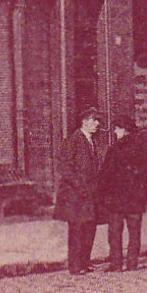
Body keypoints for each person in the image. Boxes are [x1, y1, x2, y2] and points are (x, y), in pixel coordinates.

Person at [96, 116, 147, 272]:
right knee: (134, 232)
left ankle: (116, 264)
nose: (115, 131)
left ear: (124, 130)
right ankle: (132, 263)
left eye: (117, 128)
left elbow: (105, 175)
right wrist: (144, 192)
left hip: (116, 199)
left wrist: (101, 194)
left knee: (115, 232)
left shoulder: (115, 149)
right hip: (136, 199)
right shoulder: (145, 148)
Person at [55, 108, 103, 275]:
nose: (97, 123)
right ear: (84, 121)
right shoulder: (74, 140)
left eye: (98, 120)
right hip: (75, 195)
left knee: (90, 227)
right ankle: (75, 265)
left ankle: (85, 262)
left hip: (89, 193)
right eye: (94, 120)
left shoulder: (92, 141)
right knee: (77, 229)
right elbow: (64, 167)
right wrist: (79, 185)